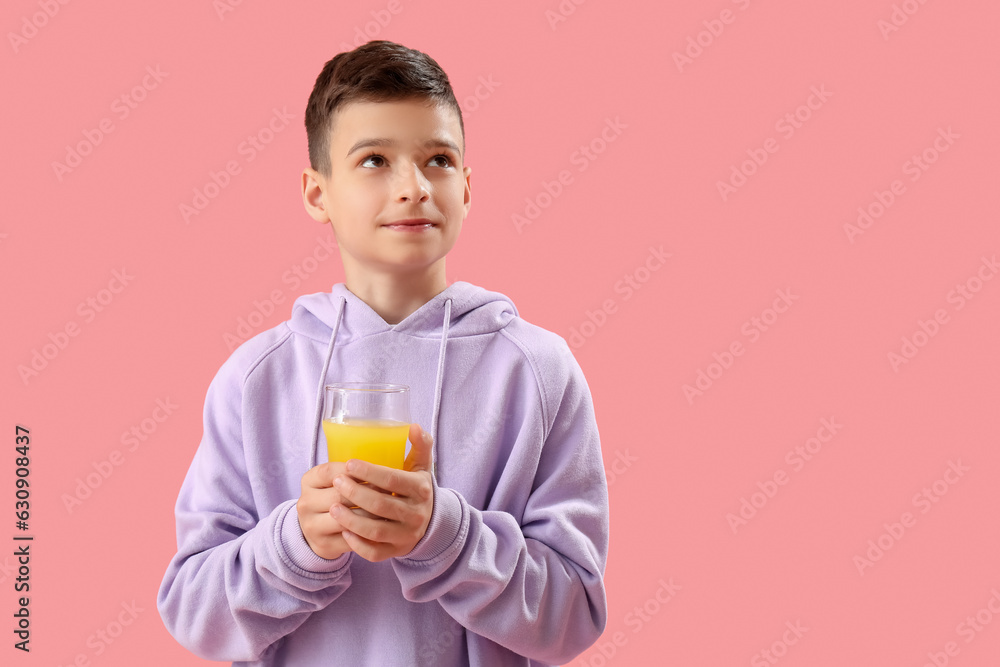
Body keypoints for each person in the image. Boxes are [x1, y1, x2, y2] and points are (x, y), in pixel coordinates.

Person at [157, 40, 609, 666]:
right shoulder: (254, 379)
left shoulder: (538, 371)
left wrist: (444, 535)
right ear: (318, 193)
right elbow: (193, 614)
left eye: (439, 160)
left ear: (468, 186)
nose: (414, 188)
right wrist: (294, 546)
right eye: (374, 160)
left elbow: (575, 616)